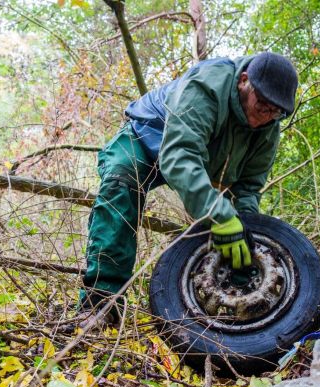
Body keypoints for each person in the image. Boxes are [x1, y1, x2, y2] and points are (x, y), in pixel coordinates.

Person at [79, 52, 299, 322]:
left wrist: (245, 230)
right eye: (263, 104)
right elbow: (180, 155)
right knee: (122, 181)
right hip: (147, 136)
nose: (266, 115)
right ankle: (102, 302)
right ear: (244, 81)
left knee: (232, 229)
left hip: (204, 162)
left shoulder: (269, 126)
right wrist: (219, 214)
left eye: (275, 111)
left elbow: (248, 187)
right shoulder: (207, 86)